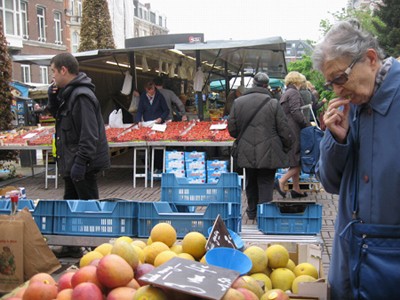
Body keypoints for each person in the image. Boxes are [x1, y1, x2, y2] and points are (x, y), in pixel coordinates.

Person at [312, 20, 400, 299]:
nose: (337, 90)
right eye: (330, 83)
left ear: (371, 59)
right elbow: (330, 182)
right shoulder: (351, 109)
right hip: (348, 260)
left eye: (340, 78)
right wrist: (336, 140)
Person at [228, 72, 293, 220]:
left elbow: (232, 129)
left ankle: (251, 212)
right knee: (266, 181)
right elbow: (283, 128)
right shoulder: (273, 103)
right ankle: (264, 215)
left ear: (253, 84)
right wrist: (286, 146)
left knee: (250, 180)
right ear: (266, 86)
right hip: (269, 149)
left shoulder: (238, 102)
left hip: (246, 148)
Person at [47, 53, 110, 201]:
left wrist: (81, 162)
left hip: (81, 166)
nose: (53, 76)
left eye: (53, 71)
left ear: (63, 70)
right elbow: (61, 120)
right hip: (71, 163)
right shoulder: (68, 94)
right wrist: (53, 99)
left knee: (88, 211)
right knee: (71, 209)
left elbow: (89, 134)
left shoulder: (81, 96)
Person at [275, 71, 310, 199]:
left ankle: (296, 189)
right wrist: (306, 125)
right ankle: (281, 181)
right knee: (299, 160)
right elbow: (296, 112)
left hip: (287, 130)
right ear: (297, 81)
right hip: (294, 130)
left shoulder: (286, 93)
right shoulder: (294, 93)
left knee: (294, 160)